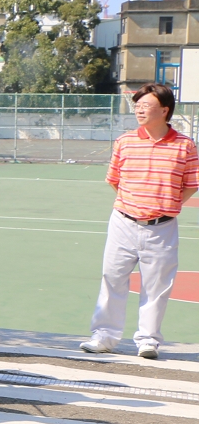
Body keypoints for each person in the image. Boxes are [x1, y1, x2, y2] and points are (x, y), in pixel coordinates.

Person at [83, 81, 199, 359]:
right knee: (112, 279)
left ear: (165, 110)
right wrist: (135, 205)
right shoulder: (125, 141)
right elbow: (114, 180)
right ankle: (104, 336)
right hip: (123, 222)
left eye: (146, 105)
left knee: (157, 286)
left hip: (162, 228)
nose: (139, 110)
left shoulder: (185, 145)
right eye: (137, 105)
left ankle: (148, 340)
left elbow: (191, 183)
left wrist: (165, 207)